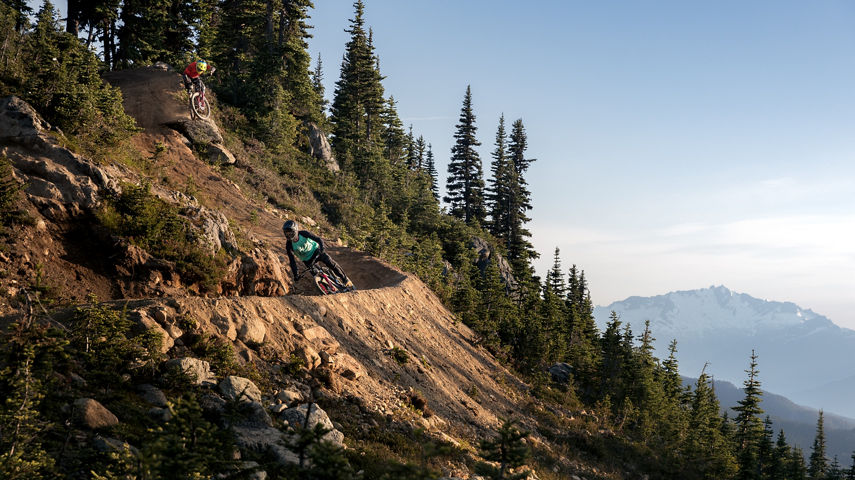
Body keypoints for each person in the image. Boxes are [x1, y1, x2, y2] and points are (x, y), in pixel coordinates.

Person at [283, 220, 354, 290]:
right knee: (316, 275)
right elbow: (292, 261)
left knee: (330, 263)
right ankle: (328, 290)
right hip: (308, 260)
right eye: (286, 233)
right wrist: (296, 274)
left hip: (317, 251)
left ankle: (345, 280)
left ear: (295, 231)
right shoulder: (289, 245)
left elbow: (318, 239)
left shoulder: (303, 234)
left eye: (290, 233)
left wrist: (322, 249)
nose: (288, 235)